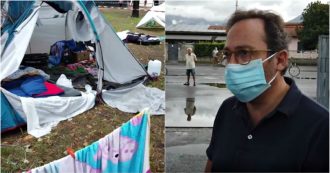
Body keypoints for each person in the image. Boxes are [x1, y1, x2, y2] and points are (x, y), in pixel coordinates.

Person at [205, 10, 329, 172]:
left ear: (280, 60)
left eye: (244, 53)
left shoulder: (321, 126)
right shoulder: (227, 109)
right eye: (228, 54)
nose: (232, 65)